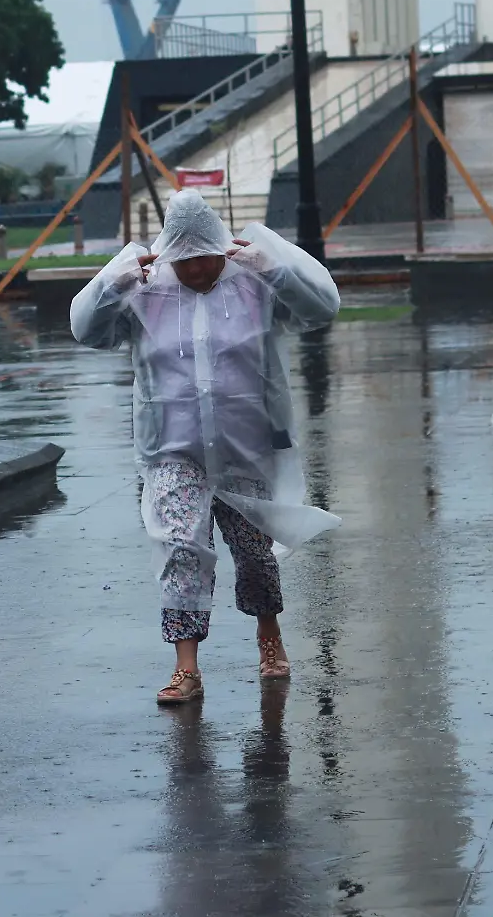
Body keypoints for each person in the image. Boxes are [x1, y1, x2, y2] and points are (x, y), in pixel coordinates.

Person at [71, 189, 340, 704]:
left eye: (205, 257)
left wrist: (275, 268)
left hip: (245, 445)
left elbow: (322, 308)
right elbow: (86, 330)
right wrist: (113, 282)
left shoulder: (253, 286)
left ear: (223, 247)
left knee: (254, 556)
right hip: (174, 449)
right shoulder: (146, 290)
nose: (196, 269)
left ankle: (269, 635)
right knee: (181, 548)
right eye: (185, 259)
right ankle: (186, 668)